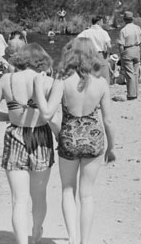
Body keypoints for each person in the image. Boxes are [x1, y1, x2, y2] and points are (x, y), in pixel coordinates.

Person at [34, 38, 116, 244]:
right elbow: (108, 120)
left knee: (67, 189)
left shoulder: (62, 80)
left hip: (68, 137)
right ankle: (85, 241)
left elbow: (47, 113)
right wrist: (111, 147)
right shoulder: (101, 83)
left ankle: (71, 237)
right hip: (94, 138)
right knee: (87, 194)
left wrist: (38, 89)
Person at [0, 43, 55, 244]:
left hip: (15, 137)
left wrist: (11, 118)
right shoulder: (47, 81)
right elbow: (53, 116)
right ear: (42, 60)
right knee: (39, 195)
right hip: (40, 136)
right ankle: (36, 232)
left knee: (18, 200)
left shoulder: (7, 79)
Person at [116, 11, 141, 100]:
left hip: (128, 49)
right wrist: (139, 50)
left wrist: (121, 55)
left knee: (129, 73)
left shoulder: (123, 30)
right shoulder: (137, 28)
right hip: (136, 49)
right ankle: (136, 92)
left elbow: (121, 45)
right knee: (135, 73)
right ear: (132, 19)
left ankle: (131, 94)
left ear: (124, 20)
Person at [77, 15, 112, 82]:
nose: (102, 24)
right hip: (101, 55)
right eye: (102, 22)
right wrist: (108, 53)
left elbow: (77, 40)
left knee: (92, 76)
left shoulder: (86, 32)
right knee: (104, 77)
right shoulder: (104, 32)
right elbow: (109, 46)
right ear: (99, 22)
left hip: (90, 55)